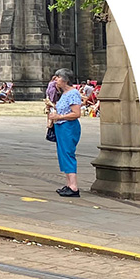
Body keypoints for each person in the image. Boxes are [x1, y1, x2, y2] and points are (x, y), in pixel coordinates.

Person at [47, 68, 83, 197]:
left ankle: (74, 187)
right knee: (63, 155)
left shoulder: (73, 93)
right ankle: (69, 184)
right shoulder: (64, 93)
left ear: (65, 80)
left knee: (68, 154)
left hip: (68, 127)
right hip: (61, 127)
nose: (55, 79)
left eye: (58, 77)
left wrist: (58, 117)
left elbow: (76, 113)